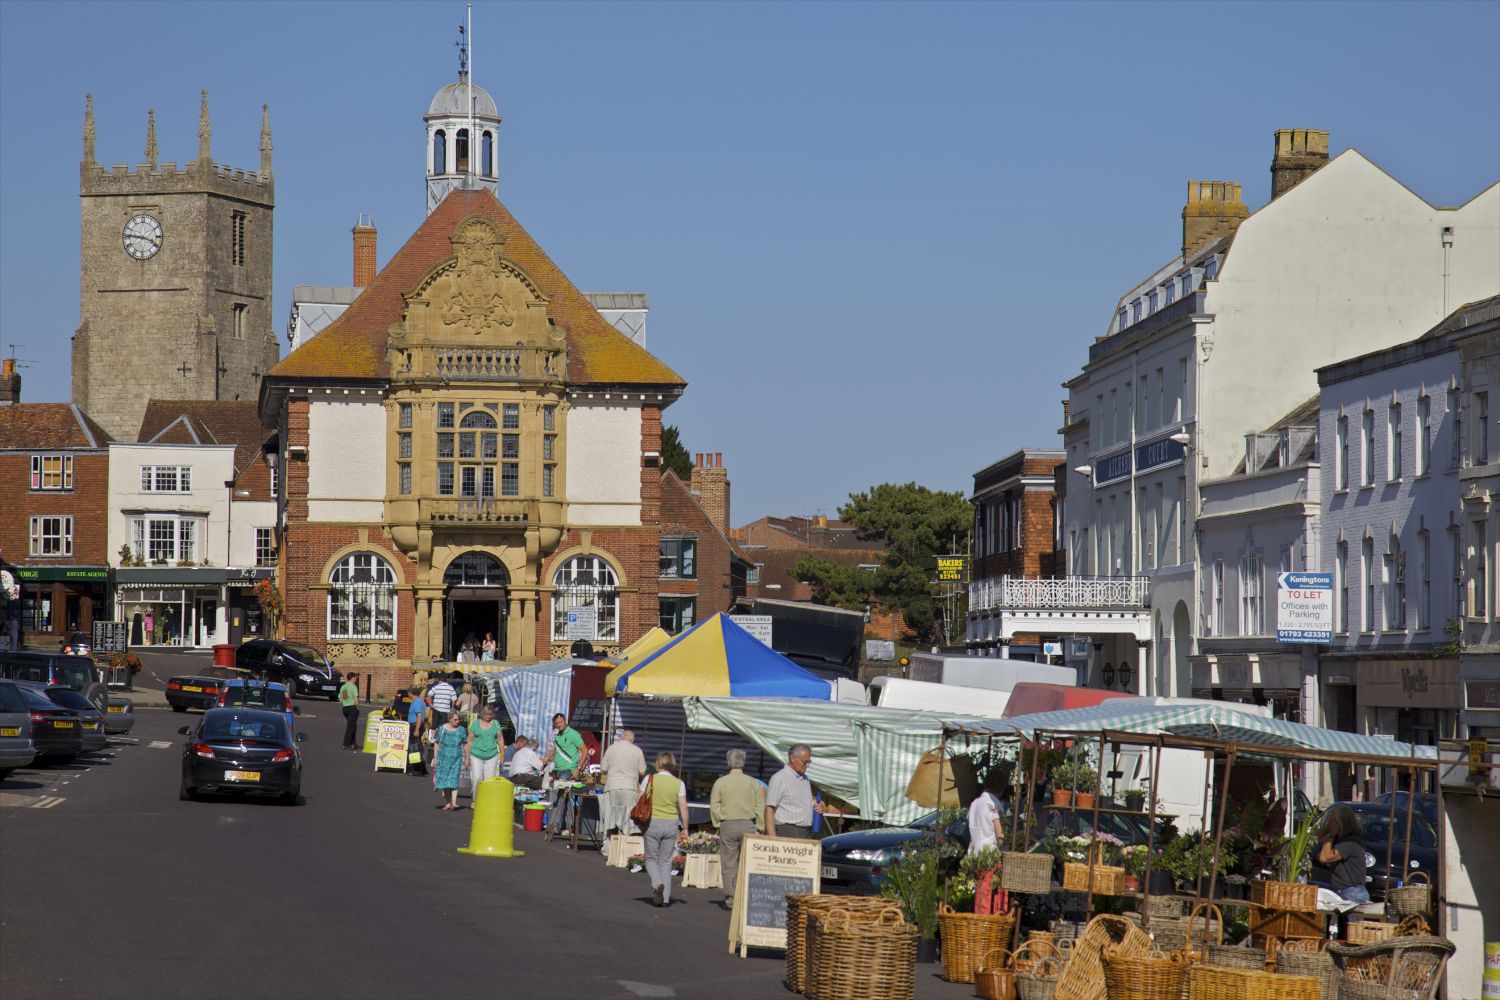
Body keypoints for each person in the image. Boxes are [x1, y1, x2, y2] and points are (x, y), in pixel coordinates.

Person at [711, 748, 766, 907]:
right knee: (747, 862)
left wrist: (718, 822)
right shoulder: (752, 782)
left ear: (728, 763)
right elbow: (759, 805)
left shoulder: (720, 782)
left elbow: (714, 805)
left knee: (729, 863)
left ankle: (731, 897)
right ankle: (745, 895)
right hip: (748, 824)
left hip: (728, 824)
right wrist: (760, 826)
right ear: (744, 763)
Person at [641, 750, 690, 908]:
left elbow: (638, 799)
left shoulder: (650, 779)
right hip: (671, 824)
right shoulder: (679, 783)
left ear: (658, 763)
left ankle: (657, 885)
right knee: (666, 861)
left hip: (652, 823)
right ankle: (666, 898)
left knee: (650, 859)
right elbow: (683, 807)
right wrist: (686, 828)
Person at [765, 743, 823, 838]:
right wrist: (773, 839)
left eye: (809, 762)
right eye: (805, 762)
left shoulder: (805, 779)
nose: (807, 765)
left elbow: (800, 800)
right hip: (787, 831)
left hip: (806, 831)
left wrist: (816, 804)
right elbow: (769, 809)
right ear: (792, 759)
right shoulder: (780, 778)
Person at [1317, 804, 1370, 903]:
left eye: (1332, 821)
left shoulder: (1350, 842)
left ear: (1340, 823)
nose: (1330, 823)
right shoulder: (1341, 839)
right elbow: (1318, 837)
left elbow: (1324, 858)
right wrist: (1329, 827)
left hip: (1352, 893)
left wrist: (1331, 836)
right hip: (1343, 891)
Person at [600, 729, 647, 836]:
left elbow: (603, 768)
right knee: (626, 820)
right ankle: (623, 848)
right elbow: (642, 771)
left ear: (621, 737)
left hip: (612, 786)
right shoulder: (637, 750)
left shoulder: (611, 748)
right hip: (629, 787)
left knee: (609, 818)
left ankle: (608, 849)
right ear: (632, 739)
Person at [967, 768, 1011, 855]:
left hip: (972, 854)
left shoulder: (974, 804)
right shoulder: (993, 804)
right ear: (1002, 789)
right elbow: (1000, 835)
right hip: (989, 855)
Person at [466, 704, 504, 799]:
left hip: (492, 755)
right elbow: (469, 740)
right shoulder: (475, 724)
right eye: (486, 714)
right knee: (477, 778)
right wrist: (468, 757)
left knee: (489, 780)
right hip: (476, 754)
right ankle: (475, 799)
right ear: (482, 714)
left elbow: (500, 739)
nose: (488, 717)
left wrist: (503, 753)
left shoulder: (495, 724)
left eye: (490, 714)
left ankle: (485, 800)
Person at [432, 710, 467, 811]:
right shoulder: (442, 728)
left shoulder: (461, 730)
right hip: (443, 758)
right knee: (445, 780)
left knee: (454, 778)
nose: (458, 721)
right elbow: (436, 743)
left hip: (457, 758)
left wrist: (467, 758)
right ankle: (448, 802)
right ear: (450, 719)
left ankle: (454, 802)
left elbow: (465, 743)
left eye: (459, 719)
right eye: (455, 719)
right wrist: (435, 758)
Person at [545, 713, 586, 781]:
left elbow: (585, 750)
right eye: (556, 723)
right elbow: (552, 755)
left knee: (559, 788)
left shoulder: (573, 734)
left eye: (560, 722)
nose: (558, 725)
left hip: (568, 771)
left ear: (565, 721)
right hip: (556, 771)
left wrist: (578, 768)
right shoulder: (557, 736)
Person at [405, 684, 428, 776]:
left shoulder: (417, 702)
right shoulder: (417, 701)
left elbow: (419, 716)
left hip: (415, 726)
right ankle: (415, 769)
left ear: (411, 693)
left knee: (415, 748)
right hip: (414, 726)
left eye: (408, 693)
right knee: (415, 748)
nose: (407, 695)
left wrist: (417, 729)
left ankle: (416, 770)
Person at [338, 672, 361, 750]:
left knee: (353, 725)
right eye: (356, 678)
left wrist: (346, 701)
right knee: (350, 726)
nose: (356, 679)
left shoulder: (343, 687)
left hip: (345, 707)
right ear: (352, 678)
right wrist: (357, 707)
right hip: (352, 707)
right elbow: (356, 698)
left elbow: (340, 698)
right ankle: (345, 744)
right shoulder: (353, 686)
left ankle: (353, 743)